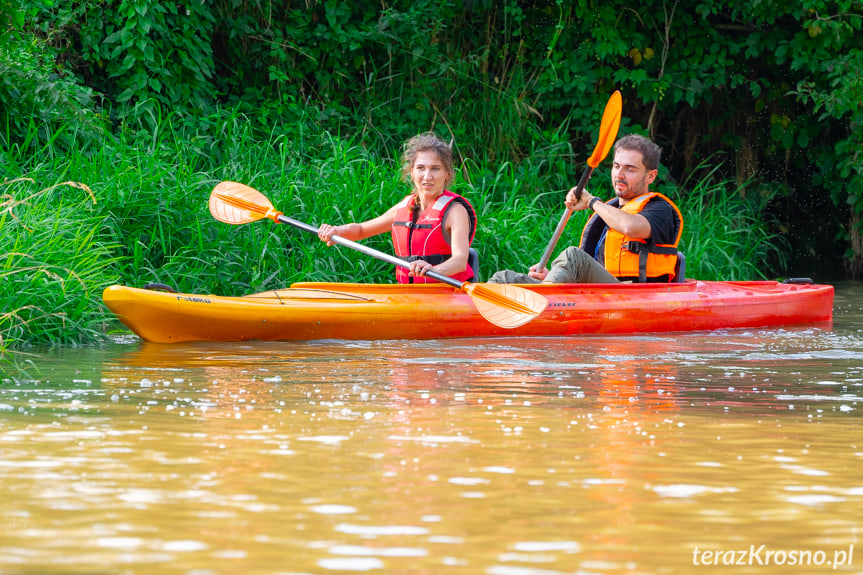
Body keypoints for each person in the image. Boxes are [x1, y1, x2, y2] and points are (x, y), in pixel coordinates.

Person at [489, 134, 683, 284]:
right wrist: (556, 277)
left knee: (573, 255)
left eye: (630, 169)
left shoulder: (660, 209)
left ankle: (546, 302)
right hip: (597, 292)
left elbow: (630, 228)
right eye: (616, 166)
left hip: (632, 295)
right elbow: (589, 269)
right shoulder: (610, 209)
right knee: (503, 278)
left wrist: (591, 202)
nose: (619, 175)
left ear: (651, 176)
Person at [317, 132, 477, 283]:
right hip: (408, 294)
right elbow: (361, 230)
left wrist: (434, 270)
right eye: (421, 168)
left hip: (447, 295)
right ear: (412, 172)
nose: (427, 176)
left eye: (435, 169)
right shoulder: (405, 207)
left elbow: (460, 261)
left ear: (447, 174)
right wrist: (337, 231)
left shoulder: (455, 212)